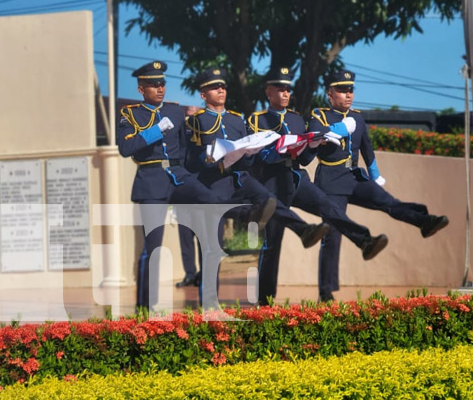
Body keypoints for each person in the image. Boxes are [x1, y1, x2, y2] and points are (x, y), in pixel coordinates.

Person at [248, 67, 389, 305]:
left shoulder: (295, 118)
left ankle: (364, 240)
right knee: (272, 241)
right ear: (268, 91)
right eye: (280, 89)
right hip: (271, 180)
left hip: (295, 176)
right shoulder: (256, 120)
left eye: (288, 89)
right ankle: (264, 300)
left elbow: (304, 159)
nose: (285, 93)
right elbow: (251, 158)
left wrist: (311, 146)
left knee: (327, 206)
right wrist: (274, 151)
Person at [308, 69, 449, 302]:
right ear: (330, 93)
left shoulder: (359, 117)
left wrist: (375, 175)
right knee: (333, 232)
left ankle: (424, 221)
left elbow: (367, 149)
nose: (348, 95)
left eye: (351, 90)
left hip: (354, 177)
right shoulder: (320, 115)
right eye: (342, 90)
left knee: (388, 202)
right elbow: (316, 135)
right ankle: (326, 291)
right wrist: (343, 128)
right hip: (330, 179)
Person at [118, 61, 239, 310]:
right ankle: (145, 308)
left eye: (162, 83)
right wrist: (154, 131)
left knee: (212, 199)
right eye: (153, 85)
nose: (160, 88)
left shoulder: (175, 111)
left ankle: (248, 212)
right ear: (142, 89)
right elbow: (125, 148)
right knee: (152, 247)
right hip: (151, 179)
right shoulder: (130, 114)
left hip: (178, 174)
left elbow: (185, 148)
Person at [185, 67, 331, 252]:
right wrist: (207, 157)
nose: (221, 90)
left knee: (268, 199)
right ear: (203, 95)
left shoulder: (236, 120)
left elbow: (248, 161)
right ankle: (209, 277)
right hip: (214, 180)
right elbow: (189, 161)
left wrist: (250, 153)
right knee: (213, 246)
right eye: (214, 87)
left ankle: (302, 229)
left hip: (239, 177)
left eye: (222, 86)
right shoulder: (196, 121)